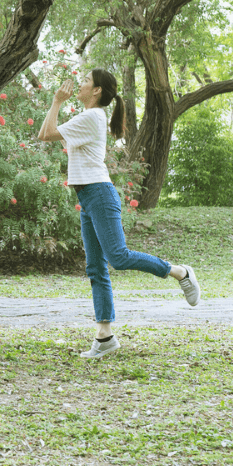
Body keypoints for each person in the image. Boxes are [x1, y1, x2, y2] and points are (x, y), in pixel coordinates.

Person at [37, 68, 201, 359]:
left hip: (99, 193)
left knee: (118, 257)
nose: (81, 84)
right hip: (88, 196)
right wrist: (57, 103)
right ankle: (104, 337)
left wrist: (56, 101)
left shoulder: (92, 116)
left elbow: (46, 133)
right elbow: (46, 134)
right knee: (95, 267)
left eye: (86, 81)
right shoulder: (91, 118)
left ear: (97, 90)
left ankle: (180, 272)